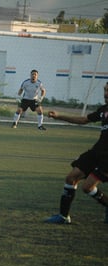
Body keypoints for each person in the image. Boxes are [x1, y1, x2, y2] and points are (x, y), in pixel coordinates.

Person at [45, 82, 108, 224]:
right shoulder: (104, 110)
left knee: (87, 187)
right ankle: (63, 216)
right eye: (104, 90)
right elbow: (84, 119)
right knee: (71, 178)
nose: (105, 94)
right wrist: (59, 116)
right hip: (96, 153)